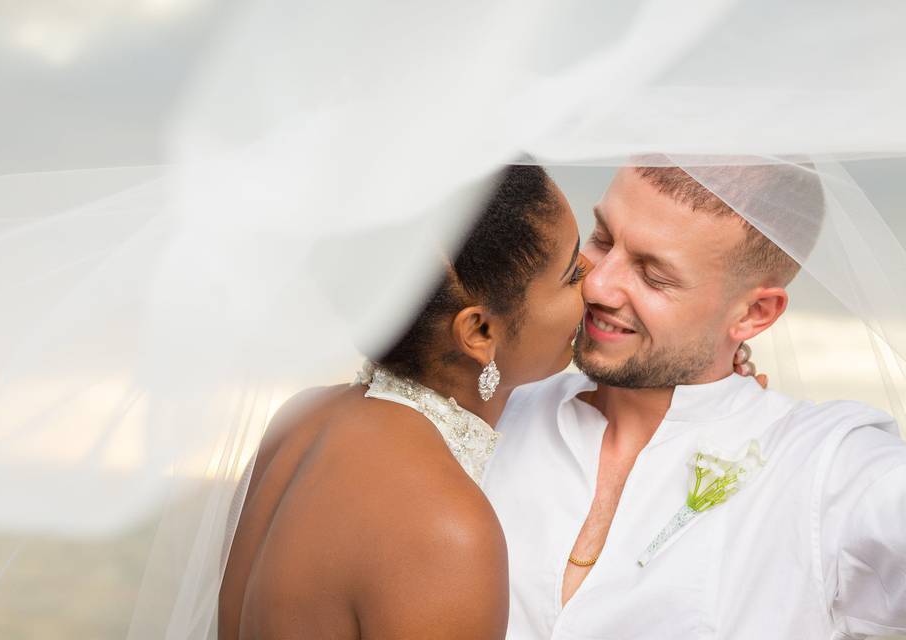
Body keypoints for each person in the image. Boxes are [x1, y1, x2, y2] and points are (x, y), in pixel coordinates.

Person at [483, 164, 906, 639]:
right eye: (602, 238)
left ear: (754, 313)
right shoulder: (490, 410)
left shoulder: (831, 470)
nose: (598, 285)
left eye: (654, 275)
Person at [218, 165, 590, 639]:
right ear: (479, 331)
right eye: (572, 272)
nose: (595, 278)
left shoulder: (301, 419)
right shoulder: (446, 528)